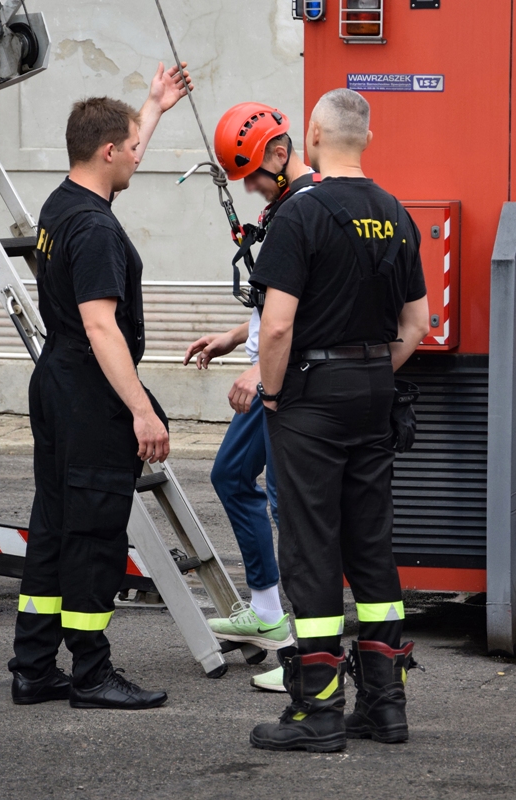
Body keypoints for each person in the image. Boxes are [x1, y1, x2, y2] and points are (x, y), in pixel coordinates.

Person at [247, 88, 430, 751]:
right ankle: (386, 706)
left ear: (316, 136)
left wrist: (273, 396)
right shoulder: (395, 213)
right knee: (371, 546)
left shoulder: (302, 215)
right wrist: (373, 370)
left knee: (311, 548)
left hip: (310, 395)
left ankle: (317, 711)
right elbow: (419, 325)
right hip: (374, 388)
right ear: (368, 137)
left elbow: (276, 327)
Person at [8, 63, 192, 710]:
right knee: (92, 534)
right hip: (89, 393)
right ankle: (90, 673)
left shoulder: (65, 203)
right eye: (131, 150)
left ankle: (33, 666)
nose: (138, 161)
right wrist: (141, 410)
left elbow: (123, 141)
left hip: (57, 381)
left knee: (55, 525)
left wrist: (154, 103)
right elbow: (100, 325)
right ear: (108, 151)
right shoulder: (96, 230)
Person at [183, 102, 319, 692]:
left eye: (254, 177)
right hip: (280, 373)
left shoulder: (300, 212)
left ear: (281, 155)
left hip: (287, 382)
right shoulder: (290, 206)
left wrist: (262, 376)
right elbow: (278, 307)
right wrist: (235, 335)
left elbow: (304, 314)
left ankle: (299, 647)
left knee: (292, 508)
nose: (251, 190)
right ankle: (268, 613)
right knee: (234, 476)